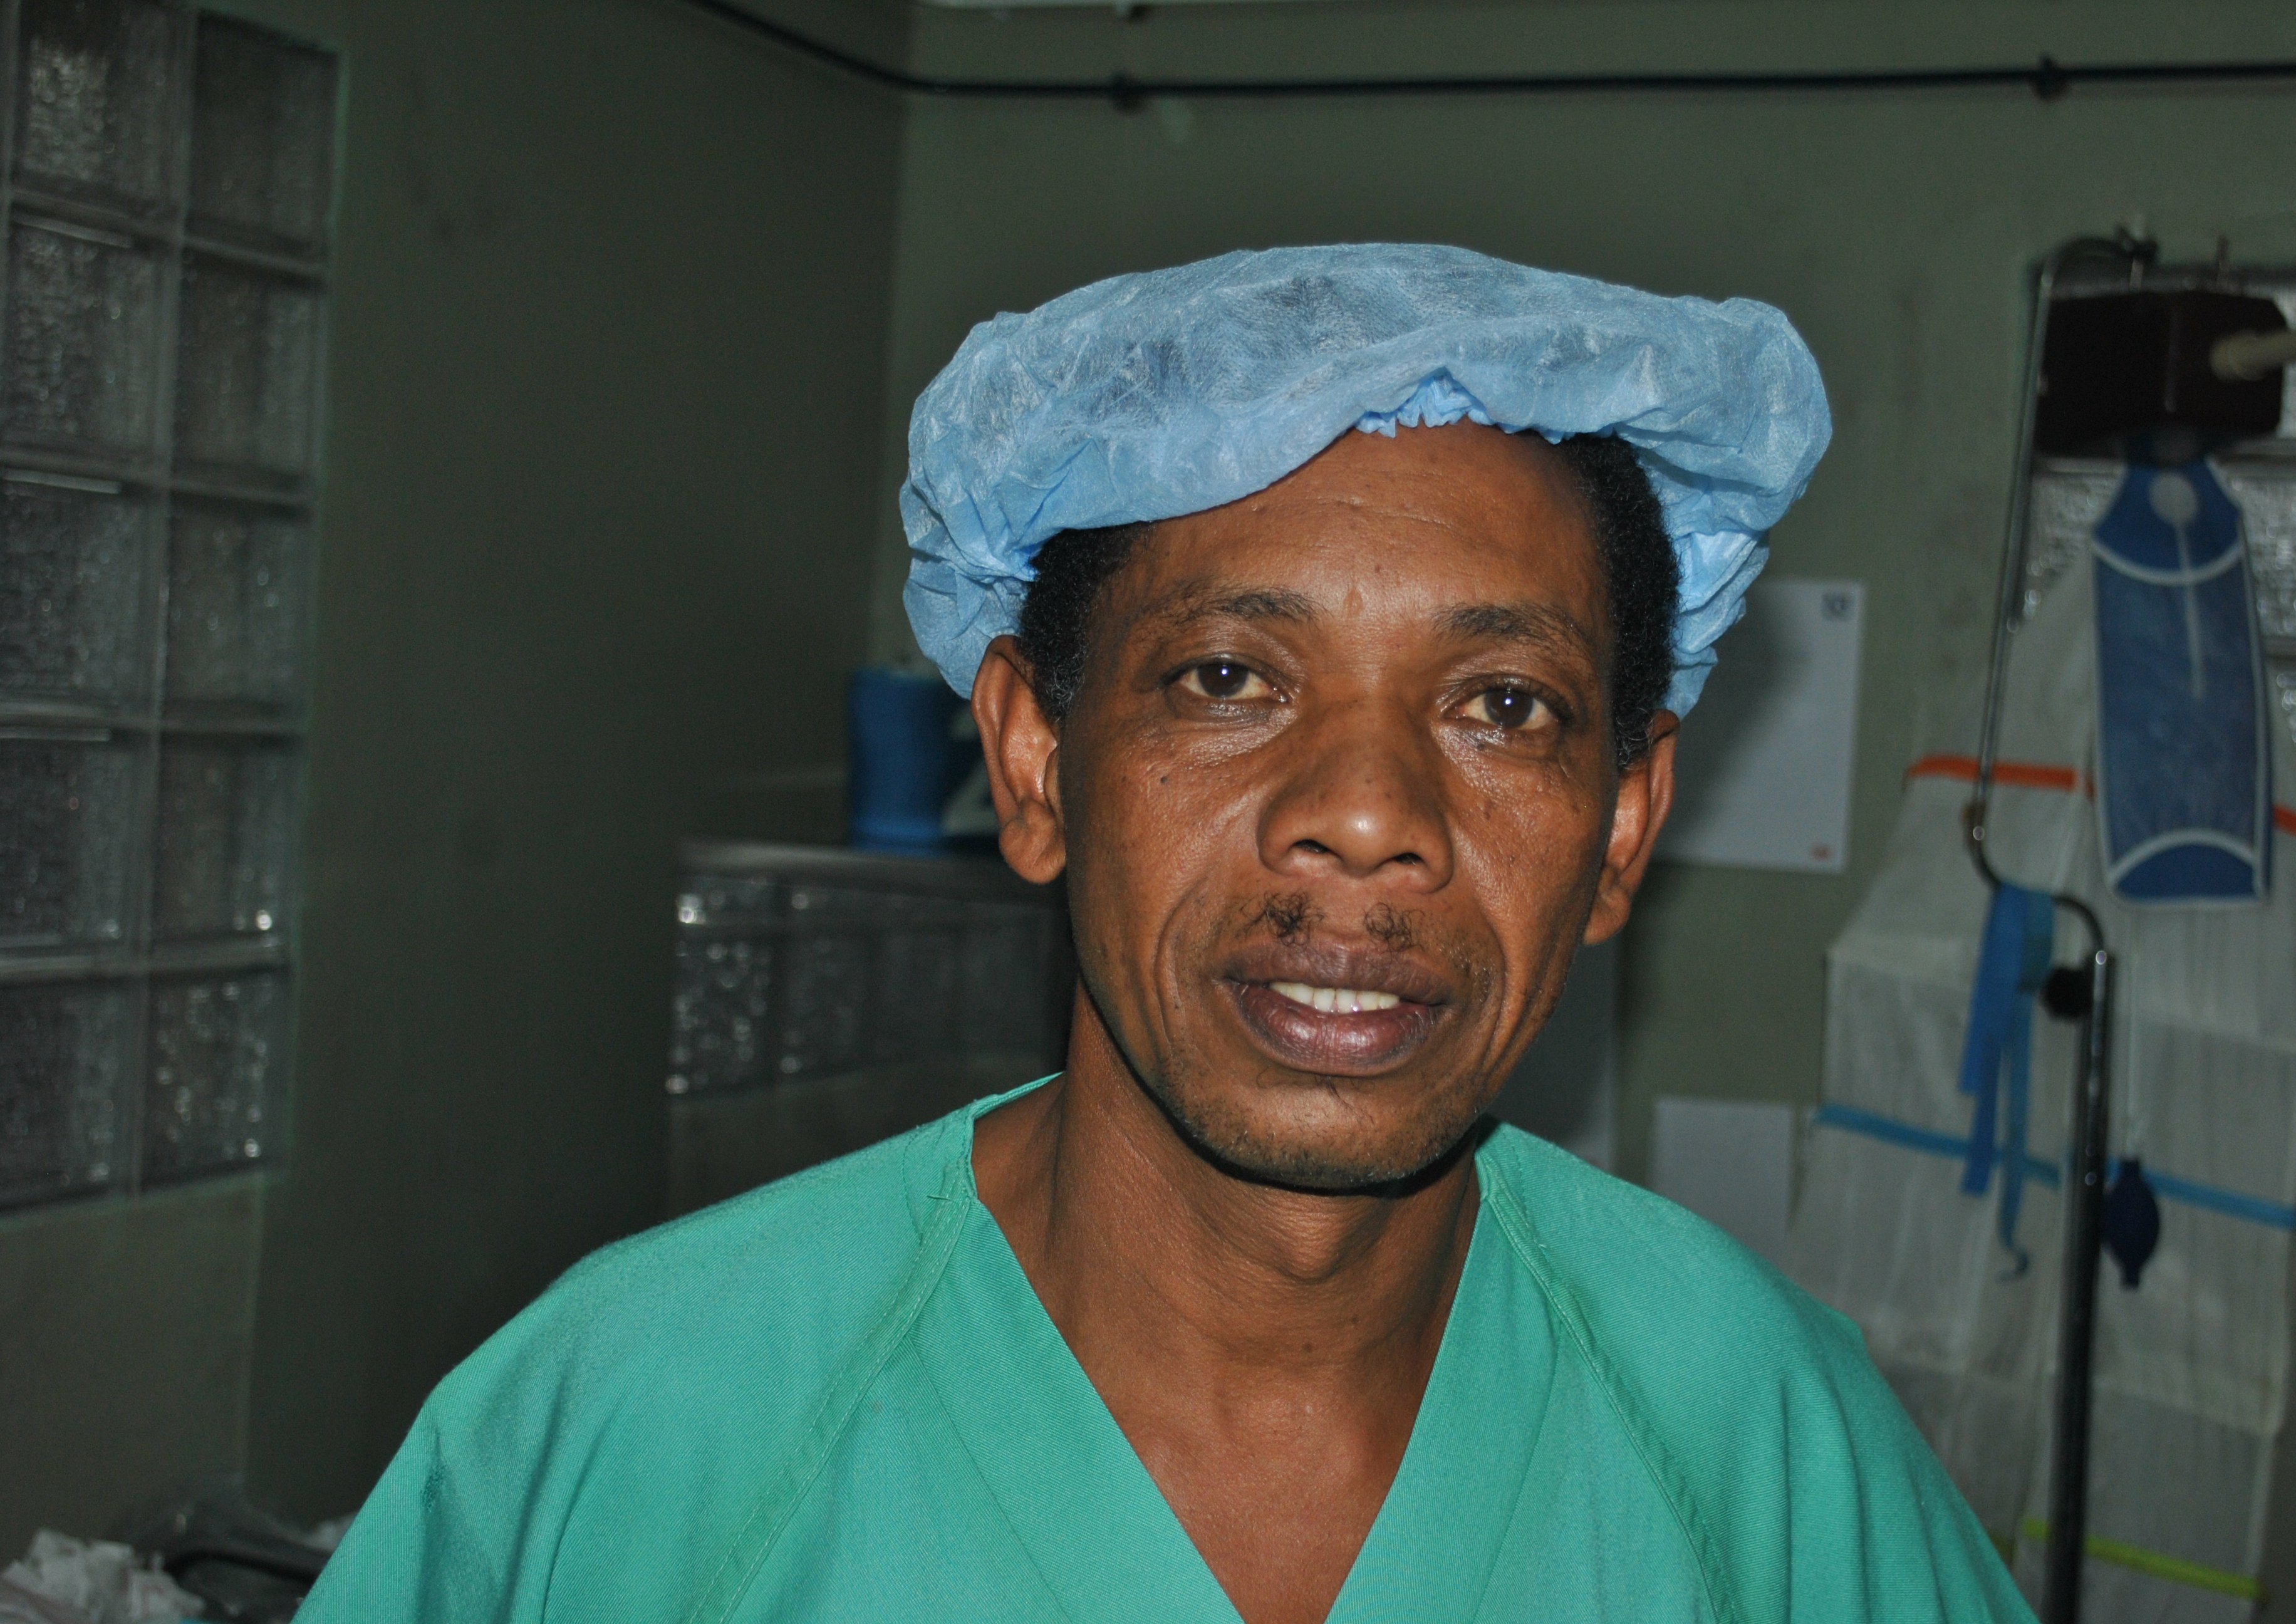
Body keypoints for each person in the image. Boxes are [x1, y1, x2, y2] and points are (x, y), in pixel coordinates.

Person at [298, 245, 2033, 1622]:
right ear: (1032, 763)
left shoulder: (1767, 1450)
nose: (1368, 814)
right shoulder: (633, 1435)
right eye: (1226, 679)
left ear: (1623, 828)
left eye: (1502, 704)